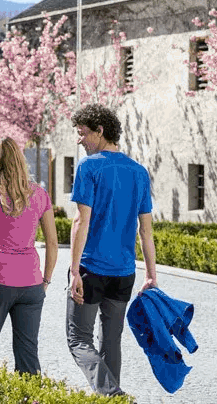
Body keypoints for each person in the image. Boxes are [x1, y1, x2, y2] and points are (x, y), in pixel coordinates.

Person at [66, 104, 158, 396]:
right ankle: (110, 399)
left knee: (78, 338)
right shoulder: (139, 172)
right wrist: (151, 275)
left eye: (82, 134)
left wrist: (73, 271)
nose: (80, 141)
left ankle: (111, 395)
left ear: (100, 131)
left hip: (91, 268)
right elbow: (146, 230)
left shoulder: (89, 167)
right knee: (111, 342)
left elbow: (81, 220)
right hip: (124, 273)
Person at [0, 136, 59, 375]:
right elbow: (52, 241)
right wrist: (46, 280)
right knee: (28, 355)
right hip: (31, 284)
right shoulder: (40, 194)